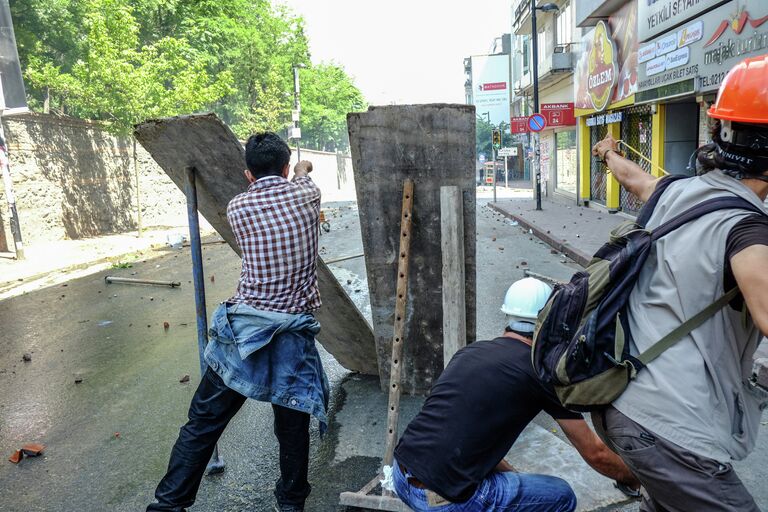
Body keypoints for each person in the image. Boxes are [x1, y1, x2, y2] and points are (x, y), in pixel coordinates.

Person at [590, 54, 768, 511]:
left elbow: (634, 178)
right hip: (668, 425)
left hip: (617, 398)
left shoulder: (677, 192)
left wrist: (609, 151)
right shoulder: (747, 231)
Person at [147, 132, 328, 512]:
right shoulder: (307, 195)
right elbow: (305, 173)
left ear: (248, 175)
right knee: (292, 430)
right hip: (291, 333)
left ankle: (167, 506)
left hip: (243, 330)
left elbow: (270, 189)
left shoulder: (237, 209)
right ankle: (291, 504)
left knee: (203, 423)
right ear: (285, 165)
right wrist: (300, 168)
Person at [392, 278, 639, 511]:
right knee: (561, 495)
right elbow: (595, 453)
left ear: (508, 316)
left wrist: (513, 478)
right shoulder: (541, 373)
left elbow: (461, 434)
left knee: (515, 485)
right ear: (549, 323)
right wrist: (638, 478)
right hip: (446, 501)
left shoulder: (470, 352)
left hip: (401, 475)